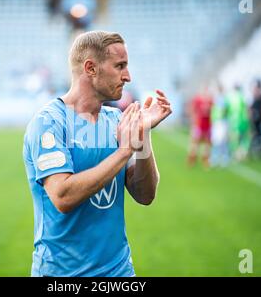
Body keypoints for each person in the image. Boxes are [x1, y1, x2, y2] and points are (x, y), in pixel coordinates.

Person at [22, 31, 172, 277]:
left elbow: (145, 195)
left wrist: (142, 134)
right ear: (90, 68)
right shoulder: (49, 123)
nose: (128, 76)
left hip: (119, 272)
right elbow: (63, 196)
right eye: (119, 66)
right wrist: (125, 150)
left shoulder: (116, 121)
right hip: (62, 275)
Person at [187, 87, 213, 167]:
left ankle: (205, 160)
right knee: (195, 142)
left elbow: (213, 111)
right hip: (198, 124)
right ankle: (192, 159)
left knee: (207, 143)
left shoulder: (210, 100)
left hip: (207, 125)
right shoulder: (197, 99)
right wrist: (193, 119)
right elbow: (191, 109)